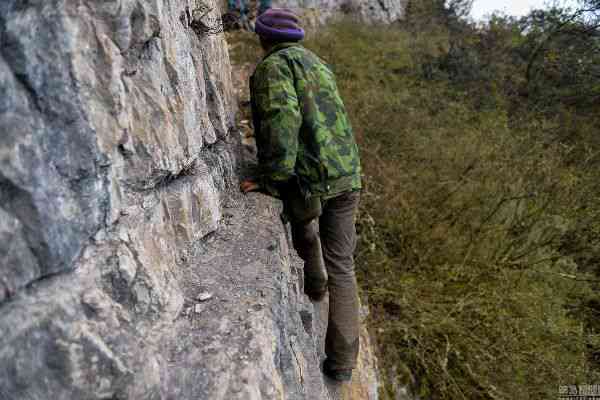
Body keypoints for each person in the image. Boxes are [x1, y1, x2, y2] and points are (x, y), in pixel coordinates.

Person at [239, 8, 362, 383]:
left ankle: (313, 282)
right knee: (343, 266)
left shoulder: (272, 68)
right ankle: (342, 364)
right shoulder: (319, 64)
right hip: (346, 174)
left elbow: (283, 119)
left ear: (263, 39)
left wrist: (271, 178)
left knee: (304, 224)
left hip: (310, 179)